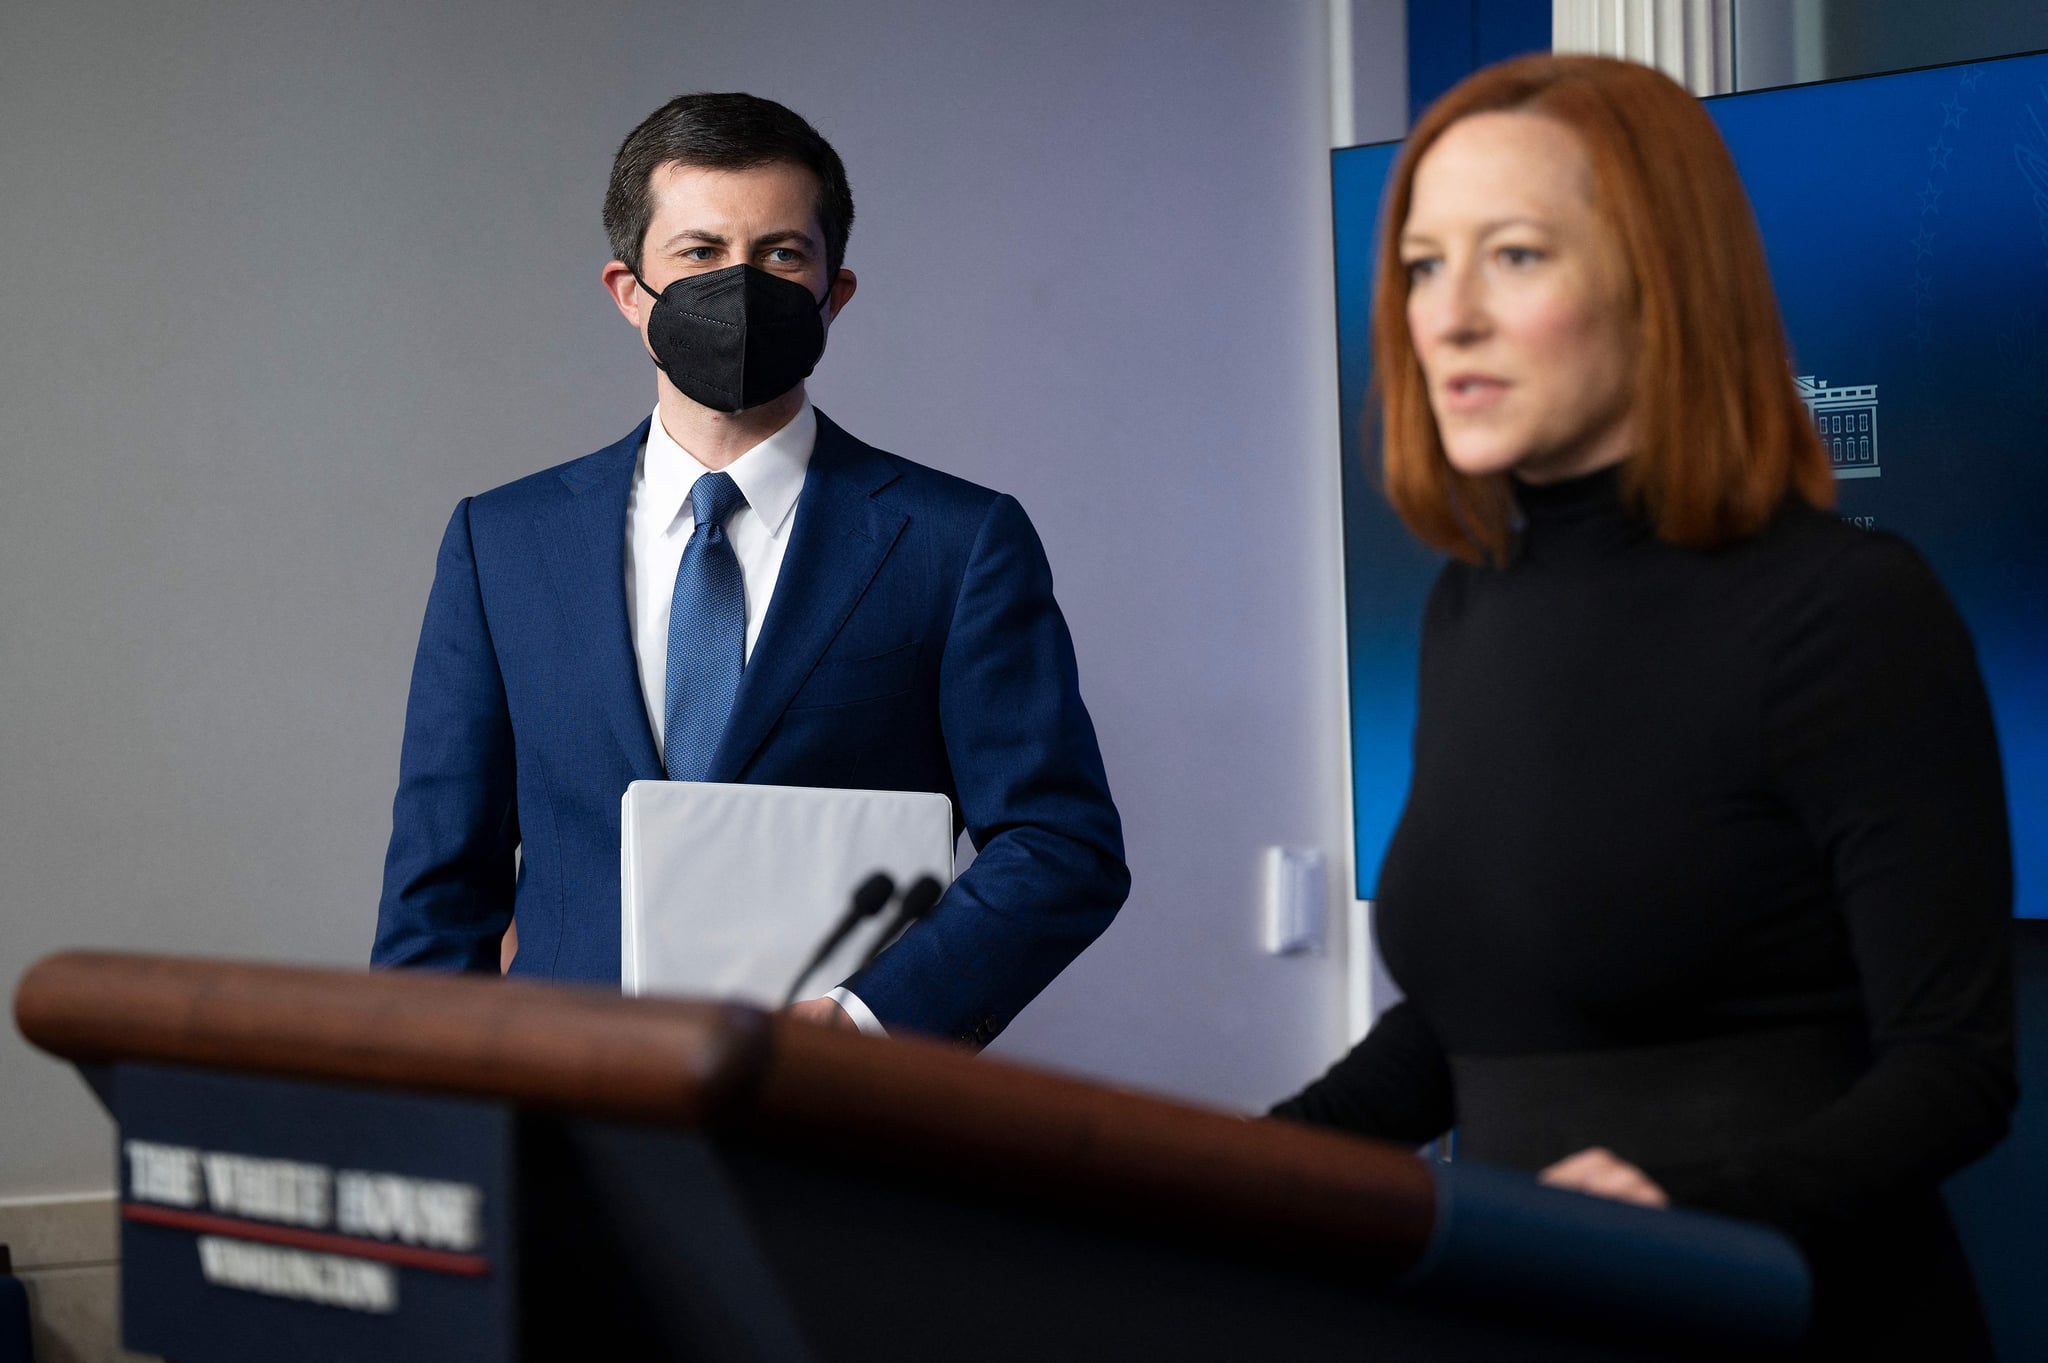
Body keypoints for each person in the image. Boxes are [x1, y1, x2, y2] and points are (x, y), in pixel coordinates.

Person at [1270, 55, 2013, 1359]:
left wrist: (1687, 1215)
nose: (1447, 319)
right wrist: (1234, 1163)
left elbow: (1955, 1069)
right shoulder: (1466, 609)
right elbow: (1469, 1030)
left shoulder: (1847, 609)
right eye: (1423, 266)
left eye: (1513, 255)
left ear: (1662, 288)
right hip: (1522, 1312)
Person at [372, 93, 1128, 1048]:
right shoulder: (503, 543)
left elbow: (1062, 845)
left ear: (833, 292)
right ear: (626, 291)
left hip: (841, 1125)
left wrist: (865, 1023)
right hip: (559, 1114)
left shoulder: (958, 542)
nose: (738, 284)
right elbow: (441, 880)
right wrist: (422, 1118)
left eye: (780, 254)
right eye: (698, 253)